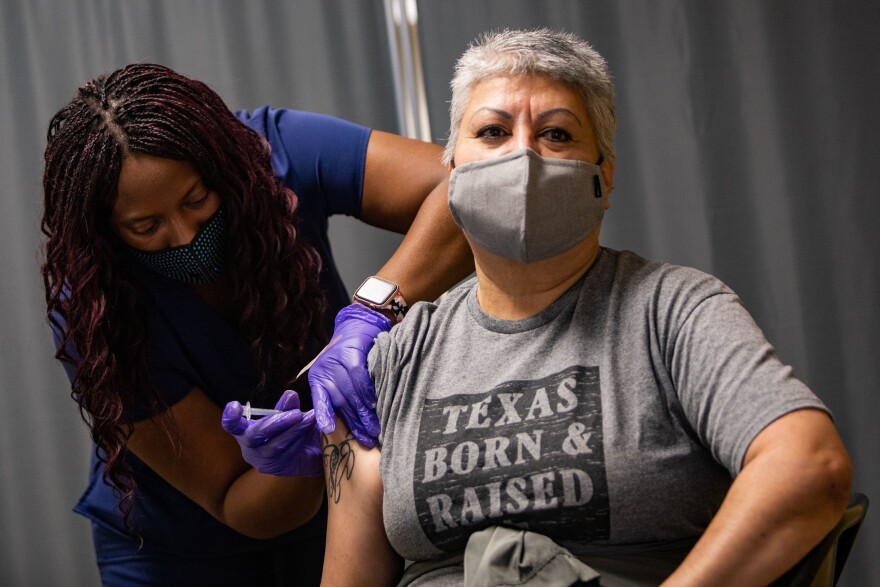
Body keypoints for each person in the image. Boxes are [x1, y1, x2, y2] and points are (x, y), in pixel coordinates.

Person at [317, 29, 853, 586]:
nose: (523, 155)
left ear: (605, 175)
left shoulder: (673, 312)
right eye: (493, 131)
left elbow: (810, 467)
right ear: (452, 175)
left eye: (556, 134)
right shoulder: (393, 360)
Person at [40, 63, 472, 585]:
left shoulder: (272, 152)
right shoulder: (94, 308)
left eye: (197, 199)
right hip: (175, 553)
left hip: (330, 517)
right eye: (146, 227)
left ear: (223, 169)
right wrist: (293, 464)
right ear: (106, 231)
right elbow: (235, 501)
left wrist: (374, 310)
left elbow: (467, 189)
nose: (184, 235)